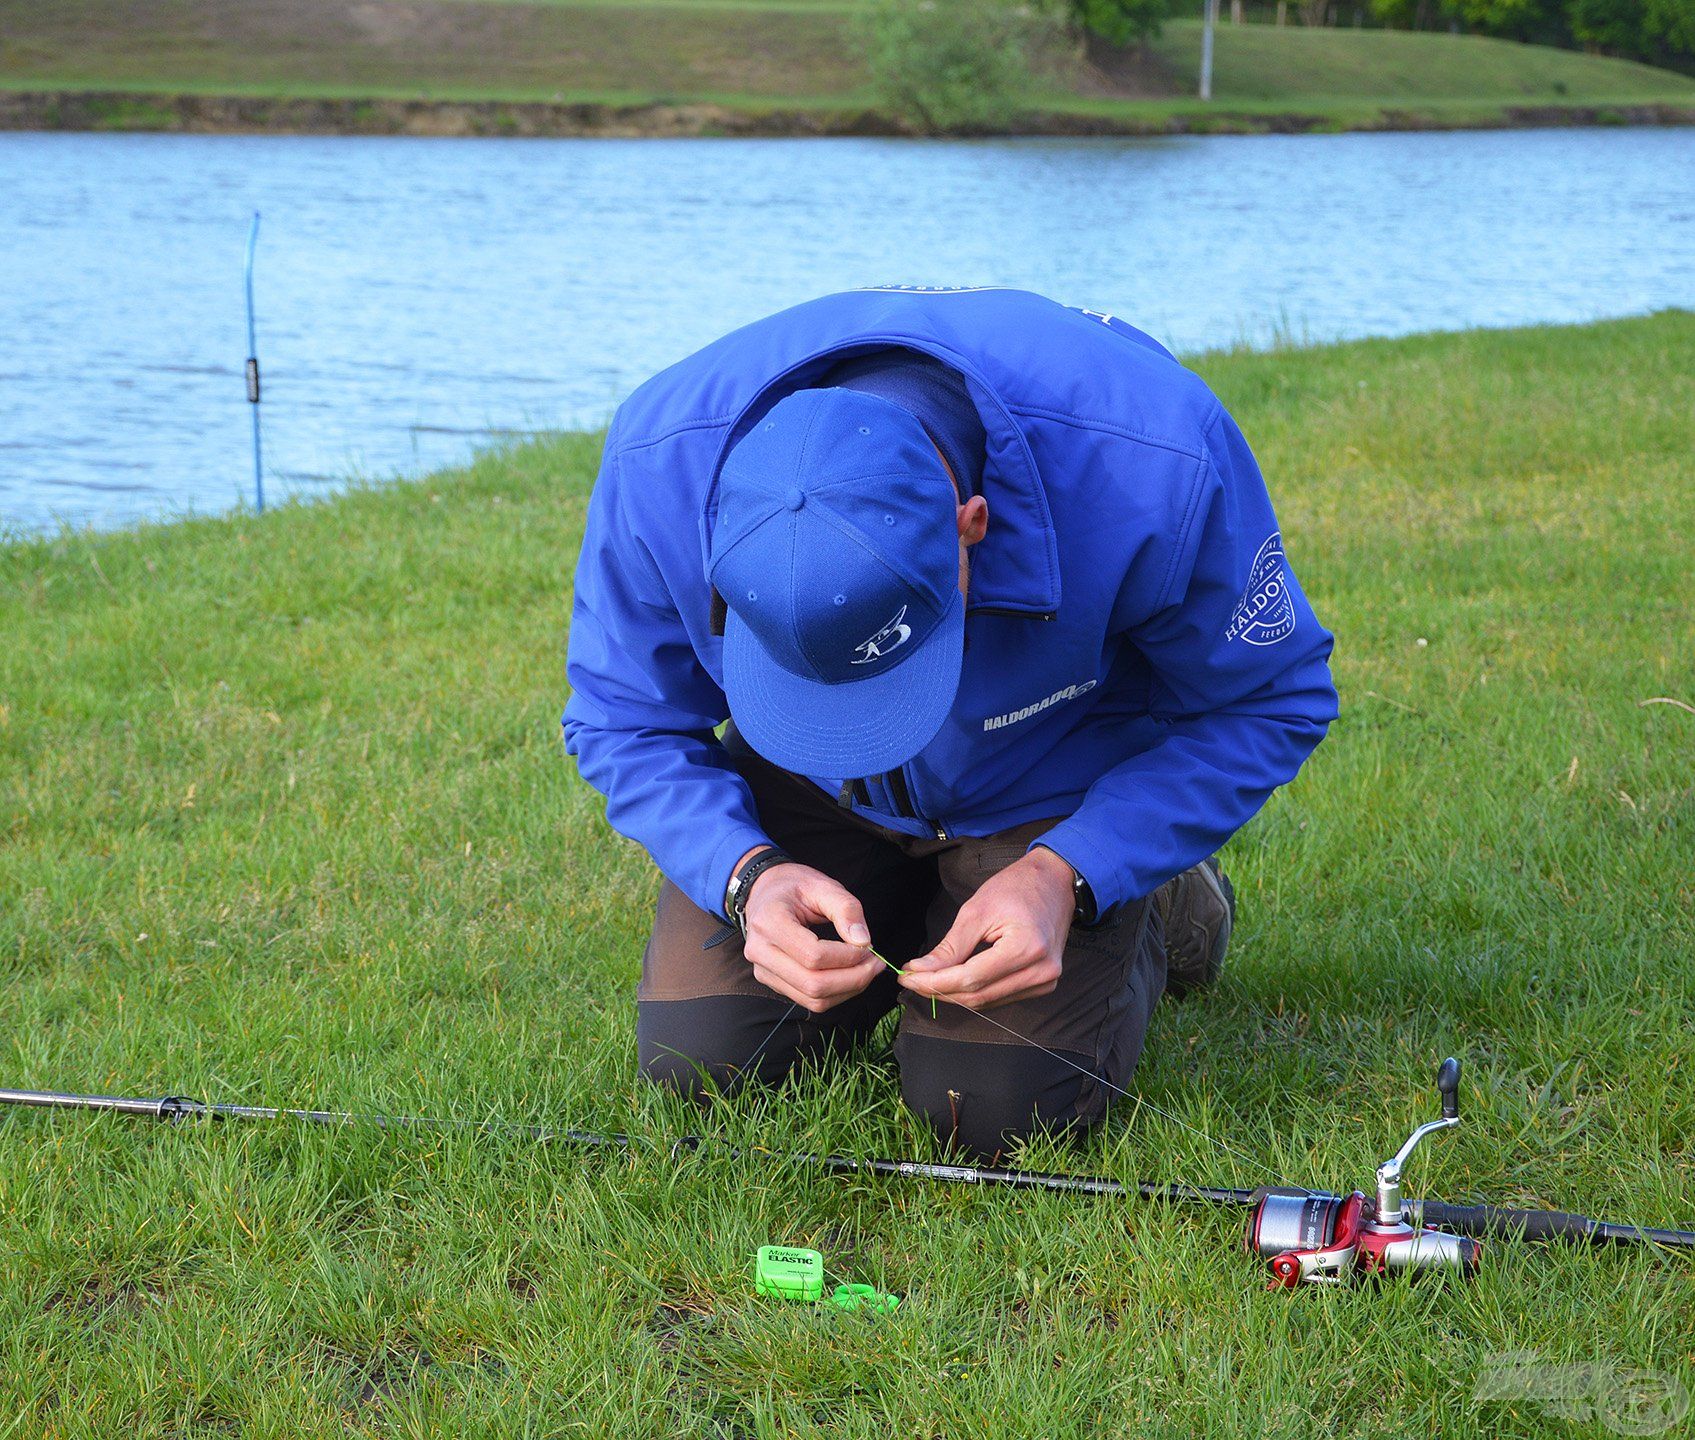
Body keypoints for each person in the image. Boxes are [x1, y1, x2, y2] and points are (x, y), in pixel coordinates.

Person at [564, 286, 1337, 1161]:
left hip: (1048, 782)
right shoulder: (658, 466)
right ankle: (912, 898)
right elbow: (621, 718)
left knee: (988, 1111)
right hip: (806, 785)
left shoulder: (1153, 457)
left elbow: (1269, 698)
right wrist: (746, 874)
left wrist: (1076, 870)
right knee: (702, 1065)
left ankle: (1165, 896)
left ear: (973, 523)